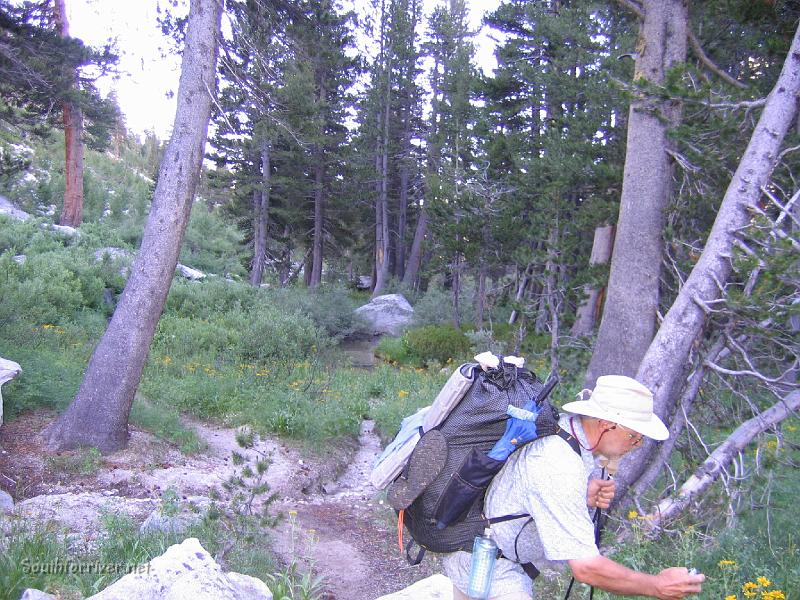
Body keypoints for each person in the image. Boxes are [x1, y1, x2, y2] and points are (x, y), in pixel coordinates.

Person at [442, 375, 706, 600]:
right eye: (634, 435)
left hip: (480, 553)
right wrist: (657, 585)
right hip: (491, 570)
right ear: (607, 424)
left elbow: (530, 487)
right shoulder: (559, 465)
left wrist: (582, 495)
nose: (636, 444)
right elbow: (586, 568)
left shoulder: (563, 429)